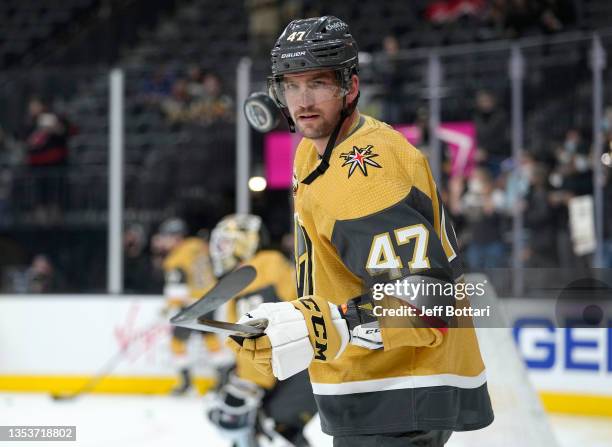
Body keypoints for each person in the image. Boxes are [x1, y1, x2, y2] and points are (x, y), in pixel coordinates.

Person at [228, 16, 493, 446]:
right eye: (291, 85)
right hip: (377, 385)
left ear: (350, 88)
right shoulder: (312, 155)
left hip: (402, 393)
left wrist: (338, 322)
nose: (303, 100)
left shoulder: (367, 173)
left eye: (318, 83)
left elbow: (428, 300)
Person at [206, 214, 316, 447]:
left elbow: (258, 337)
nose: (219, 251)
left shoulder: (258, 269)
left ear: (244, 242)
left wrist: (248, 384)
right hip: (304, 360)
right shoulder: (264, 265)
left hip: (302, 366)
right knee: (278, 428)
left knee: (272, 425)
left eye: (225, 243)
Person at [157, 217, 218, 394]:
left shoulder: (175, 259)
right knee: (211, 340)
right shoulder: (199, 245)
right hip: (211, 299)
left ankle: (185, 383)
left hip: (191, 305)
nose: (164, 241)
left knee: (177, 343)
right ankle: (222, 380)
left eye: (167, 237)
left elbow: (177, 293)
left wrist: (168, 307)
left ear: (176, 237)